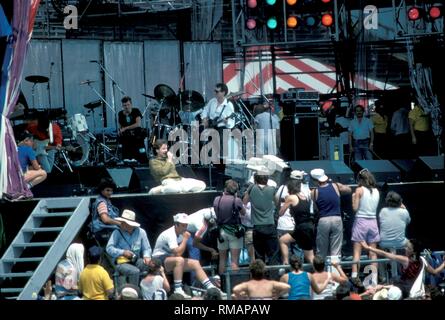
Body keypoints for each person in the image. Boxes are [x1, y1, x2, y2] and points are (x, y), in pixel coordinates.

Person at [152, 213, 220, 299]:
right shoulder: (170, 234)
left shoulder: (182, 233)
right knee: (179, 260)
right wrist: (185, 239)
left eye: (186, 225)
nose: (185, 227)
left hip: (170, 259)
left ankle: (211, 287)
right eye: (183, 225)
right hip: (158, 259)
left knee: (195, 263)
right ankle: (178, 289)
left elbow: (179, 252)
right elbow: (178, 253)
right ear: (176, 225)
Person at [361, 240, 445, 299]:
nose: (405, 249)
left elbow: (385, 254)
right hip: (418, 293)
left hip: (407, 294)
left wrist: (369, 248)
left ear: (414, 251)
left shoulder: (405, 260)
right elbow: (435, 272)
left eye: (408, 248)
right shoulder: (423, 260)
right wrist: (444, 263)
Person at [310, 168, 351, 258]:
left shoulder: (314, 192)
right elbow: (348, 190)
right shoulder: (336, 186)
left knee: (321, 250)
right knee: (336, 251)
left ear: (315, 180)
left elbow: (314, 208)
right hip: (337, 219)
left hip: (323, 220)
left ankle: (322, 270)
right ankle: (335, 271)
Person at [106, 209, 152, 287]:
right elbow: (109, 248)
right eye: (122, 222)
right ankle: (133, 292)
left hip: (135, 259)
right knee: (135, 271)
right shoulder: (117, 233)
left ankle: (147, 290)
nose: (122, 224)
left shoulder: (141, 232)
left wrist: (146, 256)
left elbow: (147, 248)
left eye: (124, 223)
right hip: (121, 262)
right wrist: (123, 252)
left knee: (151, 266)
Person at [351, 169, 380, 286]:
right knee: (373, 252)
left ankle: (354, 277)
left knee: (357, 252)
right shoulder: (377, 191)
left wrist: (353, 197)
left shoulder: (359, 190)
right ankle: (373, 279)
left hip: (361, 222)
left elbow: (355, 208)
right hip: (373, 222)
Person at [243, 171, 279, 265]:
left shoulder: (251, 188)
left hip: (257, 227)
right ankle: (273, 276)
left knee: (259, 255)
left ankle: (260, 276)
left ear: (255, 179)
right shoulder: (272, 189)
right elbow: (277, 203)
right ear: (267, 179)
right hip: (270, 225)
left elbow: (245, 202)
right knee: (272, 254)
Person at [278, 179, 314, 264]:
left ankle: (285, 263)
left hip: (301, 227)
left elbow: (281, 213)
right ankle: (319, 271)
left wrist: (286, 201)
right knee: (309, 256)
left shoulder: (291, 197)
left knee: (282, 240)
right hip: (307, 226)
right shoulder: (304, 196)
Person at [214, 179, 246, 274]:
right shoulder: (237, 200)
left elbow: (216, 212)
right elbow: (243, 213)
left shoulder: (217, 199)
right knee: (234, 261)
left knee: (222, 260)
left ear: (225, 189)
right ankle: (233, 284)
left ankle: (223, 284)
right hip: (234, 232)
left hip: (221, 232)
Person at [201, 83, 236, 161]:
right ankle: (213, 165)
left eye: (217, 91)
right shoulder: (212, 101)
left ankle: (222, 167)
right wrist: (204, 118)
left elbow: (231, 123)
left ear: (223, 92)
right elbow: (205, 110)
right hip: (212, 127)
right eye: (215, 91)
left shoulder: (228, 105)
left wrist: (227, 121)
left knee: (222, 149)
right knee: (211, 148)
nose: (215, 93)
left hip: (222, 129)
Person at [90, 178, 121, 245]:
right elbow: (105, 219)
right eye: (107, 190)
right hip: (104, 231)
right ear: (101, 190)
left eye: (111, 190)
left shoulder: (107, 201)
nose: (110, 193)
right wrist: (120, 224)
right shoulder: (102, 203)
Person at [118, 96, 148, 163]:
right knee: (125, 151)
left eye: (128, 105)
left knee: (141, 153)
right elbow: (120, 126)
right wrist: (120, 130)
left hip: (137, 135)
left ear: (131, 104)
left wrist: (126, 128)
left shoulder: (136, 111)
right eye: (124, 105)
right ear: (122, 106)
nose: (126, 107)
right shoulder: (120, 114)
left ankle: (143, 162)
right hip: (126, 136)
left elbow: (138, 124)